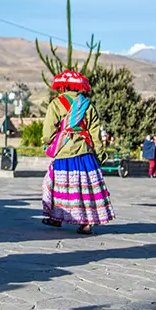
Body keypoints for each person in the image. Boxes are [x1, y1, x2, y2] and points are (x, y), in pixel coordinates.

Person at [41, 70, 115, 235]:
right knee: (84, 188)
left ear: (63, 86)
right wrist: (100, 153)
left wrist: (48, 143)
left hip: (63, 152)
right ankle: (86, 223)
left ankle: (56, 217)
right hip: (84, 153)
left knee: (60, 186)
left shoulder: (56, 103)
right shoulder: (87, 104)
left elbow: (48, 130)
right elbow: (95, 132)